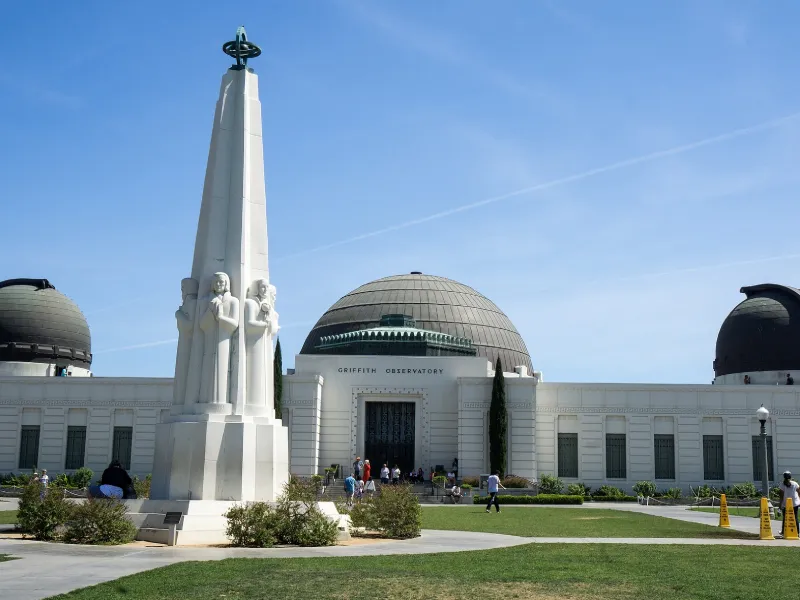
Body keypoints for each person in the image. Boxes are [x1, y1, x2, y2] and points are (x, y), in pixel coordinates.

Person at [778, 471, 800, 538]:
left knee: (785, 518)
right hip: (795, 503)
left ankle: (783, 532)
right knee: (795, 517)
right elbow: (799, 492)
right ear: (790, 476)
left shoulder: (782, 485)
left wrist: (780, 506)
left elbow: (781, 497)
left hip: (786, 504)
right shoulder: (795, 483)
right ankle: (798, 532)